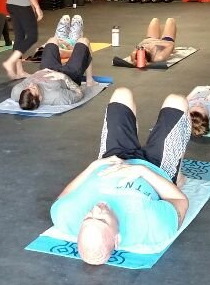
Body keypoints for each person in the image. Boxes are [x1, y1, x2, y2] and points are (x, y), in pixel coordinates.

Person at [49, 88, 191, 265]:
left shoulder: (65, 218)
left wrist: (93, 167)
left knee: (121, 94)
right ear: (117, 239)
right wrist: (142, 171)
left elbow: (64, 197)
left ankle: (131, 140)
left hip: (113, 159)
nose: (97, 209)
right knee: (177, 100)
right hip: (155, 168)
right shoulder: (152, 227)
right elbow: (180, 201)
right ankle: (177, 174)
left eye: (88, 217)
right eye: (102, 219)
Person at [10, 34, 94, 111]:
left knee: (52, 40)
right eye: (33, 88)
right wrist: (63, 77)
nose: (31, 84)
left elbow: (21, 92)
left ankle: (68, 48)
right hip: (70, 74)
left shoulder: (17, 92)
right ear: (40, 98)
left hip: (47, 69)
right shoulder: (57, 96)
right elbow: (79, 93)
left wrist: (36, 74)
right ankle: (90, 80)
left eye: (28, 87)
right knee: (83, 41)